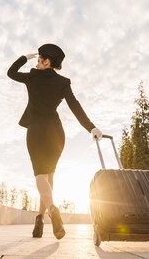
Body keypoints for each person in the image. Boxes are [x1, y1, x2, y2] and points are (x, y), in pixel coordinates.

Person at [7, 44, 103, 239]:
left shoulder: (32, 77)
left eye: (39, 58)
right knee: (49, 176)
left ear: (46, 61)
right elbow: (75, 106)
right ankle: (39, 221)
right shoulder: (62, 82)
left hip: (36, 131)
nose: (36, 61)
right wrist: (91, 127)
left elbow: (11, 73)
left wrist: (24, 58)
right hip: (56, 133)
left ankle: (51, 209)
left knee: (41, 176)